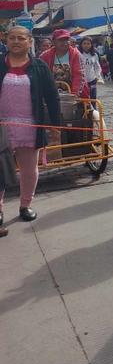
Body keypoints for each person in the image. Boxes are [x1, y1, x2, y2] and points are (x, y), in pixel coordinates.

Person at [0, 26, 60, 227]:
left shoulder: (40, 67)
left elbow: (52, 97)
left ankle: (25, 205)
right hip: (2, 128)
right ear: (6, 41)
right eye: (12, 38)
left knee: (28, 169)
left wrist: (55, 125)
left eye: (21, 38)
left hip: (30, 127)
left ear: (29, 41)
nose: (16, 41)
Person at [39, 29, 87, 98]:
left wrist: (74, 95)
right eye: (61, 40)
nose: (65, 42)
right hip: (51, 94)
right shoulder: (45, 56)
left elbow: (79, 76)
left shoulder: (76, 54)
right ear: (53, 42)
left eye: (67, 40)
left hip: (72, 94)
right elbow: (41, 76)